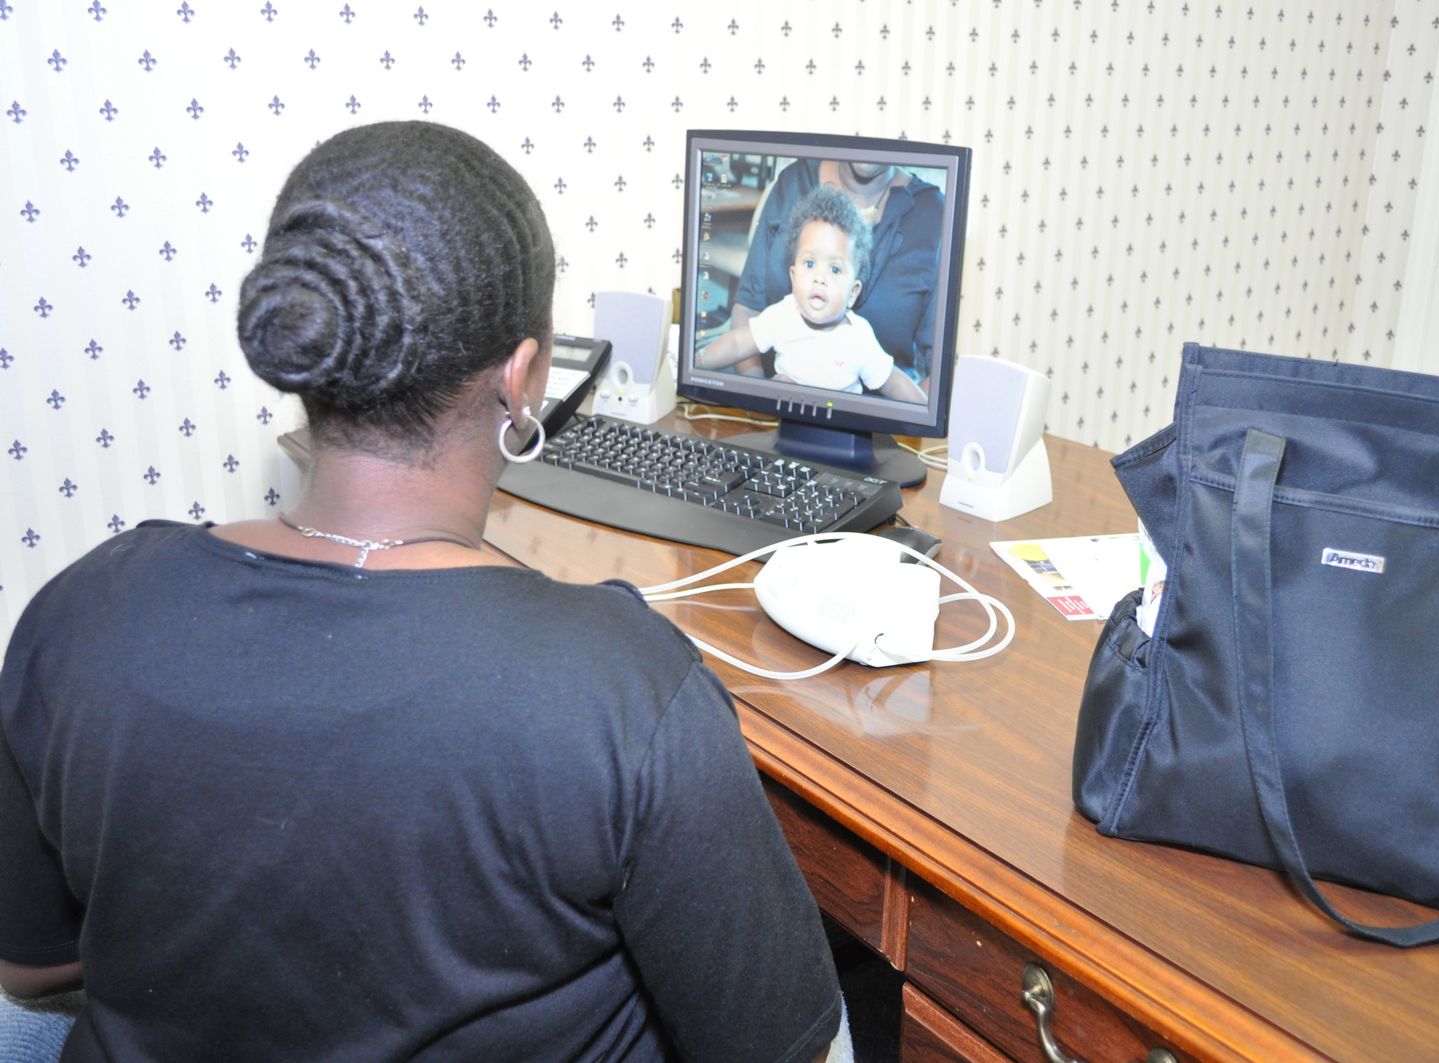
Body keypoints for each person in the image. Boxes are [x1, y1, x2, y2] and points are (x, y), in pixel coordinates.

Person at [0, 121, 848, 1062]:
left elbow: (29, 970)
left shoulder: (80, 612)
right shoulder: (626, 694)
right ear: (521, 378)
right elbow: (783, 1046)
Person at [697, 186, 926, 403]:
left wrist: (924, 414)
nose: (819, 277)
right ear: (793, 276)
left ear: (853, 293)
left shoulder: (859, 338)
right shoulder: (783, 315)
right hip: (783, 422)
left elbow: (894, 382)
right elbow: (737, 343)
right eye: (809, 263)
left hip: (836, 429)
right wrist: (695, 363)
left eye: (834, 269)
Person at [730, 157, 945, 381]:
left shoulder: (934, 213)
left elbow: (938, 373)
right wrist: (758, 391)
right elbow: (748, 308)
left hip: (877, 402)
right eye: (809, 263)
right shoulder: (793, 181)